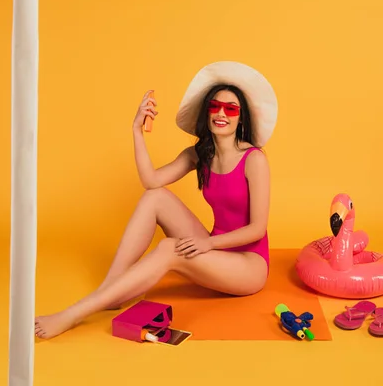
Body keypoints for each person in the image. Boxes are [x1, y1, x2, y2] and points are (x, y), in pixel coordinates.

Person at [35, 61, 277, 339]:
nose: (221, 113)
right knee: (155, 197)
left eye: (231, 109)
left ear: (241, 118)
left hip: (248, 265)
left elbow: (257, 229)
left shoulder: (254, 159)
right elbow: (150, 181)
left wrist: (208, 243)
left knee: (169, 248)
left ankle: (73, 314)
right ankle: (110, 290)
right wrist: (137, 131)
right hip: (217, 253)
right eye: (215, 106)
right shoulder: (199, 154)